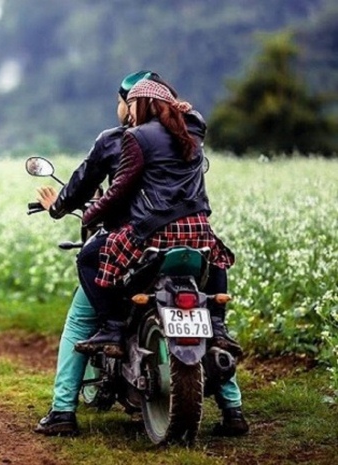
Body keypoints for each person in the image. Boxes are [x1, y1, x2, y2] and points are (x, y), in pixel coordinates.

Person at [73, 77, 248, 435]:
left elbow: (121, 188)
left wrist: (91, 215)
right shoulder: (193, 128)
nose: (129, 111)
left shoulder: (136, 138)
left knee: (89, 259)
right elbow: (193, 116)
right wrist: (179, 107)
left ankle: (111, 327)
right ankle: (216, 323)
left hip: (153, 232)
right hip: (198, 229)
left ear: (141, 105)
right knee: (215, 256)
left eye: (133, 103)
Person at [32, 70, 156, 437]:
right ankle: (232, 406)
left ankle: (62, 411)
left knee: (80, 319)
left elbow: (82, 185)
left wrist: (59, 206)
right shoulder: (185, 140)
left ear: (131, 105)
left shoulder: (116, 141)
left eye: (121, 101)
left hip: (127, 240)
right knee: (210, 318)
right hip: (180, 237)